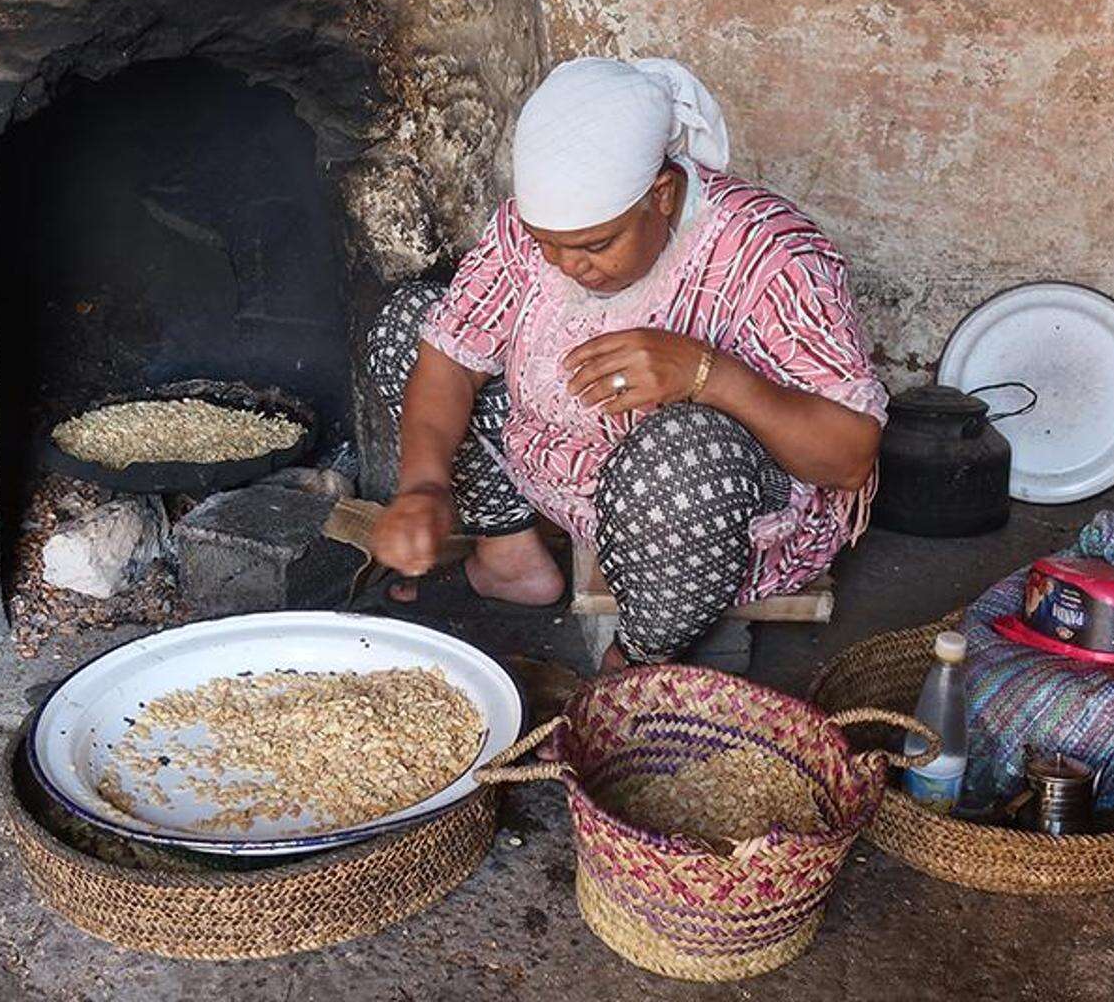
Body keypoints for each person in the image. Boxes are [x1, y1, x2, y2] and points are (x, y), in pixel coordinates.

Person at [367, 57, 887, 673]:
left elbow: (851, 457)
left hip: (697, 507)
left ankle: (637, 655)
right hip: (566, 469)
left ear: (662, 196)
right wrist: (423, 485)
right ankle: (508, 550)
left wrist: (705, 373)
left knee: (681, 453)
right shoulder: (529, 236)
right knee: (411, 324)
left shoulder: (768, 253)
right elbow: (451, 358)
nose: (567, 266)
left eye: (595, 246)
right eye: (545, 244)